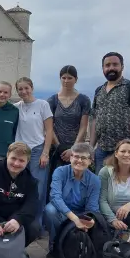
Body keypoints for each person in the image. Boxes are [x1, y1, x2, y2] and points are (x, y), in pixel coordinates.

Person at [0, 142, 41, 252]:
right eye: (13, 158)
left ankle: (13, 252)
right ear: (7, 155)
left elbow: (31, 205)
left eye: (21, 160)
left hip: (13, 218)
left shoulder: (30, 181)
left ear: (27, 162)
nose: (16, 163)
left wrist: (18, 220)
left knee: (34, 227)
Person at [89, 52, 130, 173]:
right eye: (107, 65)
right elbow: (95, 120)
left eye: (115, 64)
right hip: (102, 150)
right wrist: (91, 147)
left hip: (125, 151)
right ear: (103, 68)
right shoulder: (99, 91)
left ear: (122, 67)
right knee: (103, 187)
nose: (111, 68)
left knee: (124, 187)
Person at [43, 142, 101, 258]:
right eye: (76, 156)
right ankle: (54, 245)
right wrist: (74, 218)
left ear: (90, 161)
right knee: (49, 210)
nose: (79, 160)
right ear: (70, 158)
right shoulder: (60, 171)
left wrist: (90, 220)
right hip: (61, 211)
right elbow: (55, 197)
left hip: (80, 213)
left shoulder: (95, 180)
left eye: (84, 158)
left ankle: (75, 246)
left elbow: (92, 207)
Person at [47, 66, 91, 199]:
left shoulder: (83, 100)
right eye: (63, 78)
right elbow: (49, 127)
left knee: (75, 185)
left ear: (76, 79)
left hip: (76, 150)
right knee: (55, 184)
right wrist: (59, 147)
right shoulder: (52, 100)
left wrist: (73, 149)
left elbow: (84, 126)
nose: (66, 81)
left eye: (70, 78)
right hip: (56, 149)